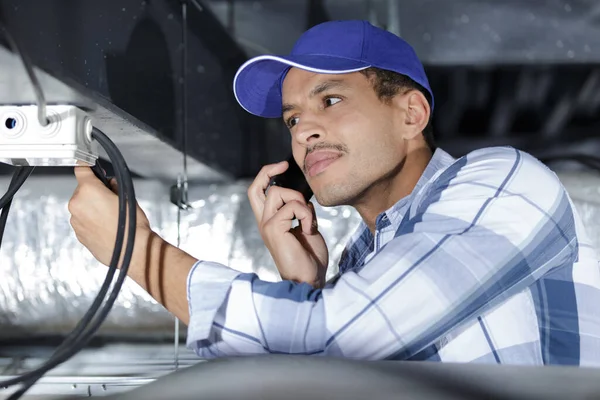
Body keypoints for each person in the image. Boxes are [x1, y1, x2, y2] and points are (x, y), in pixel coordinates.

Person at [68, 20, 600, 365]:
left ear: (411, 114)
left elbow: (347, 332)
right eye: (293, 117)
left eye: (331, 100)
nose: (303, 131)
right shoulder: (362, 262)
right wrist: (308, 286)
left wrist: (139, 253)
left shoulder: (504, 182)